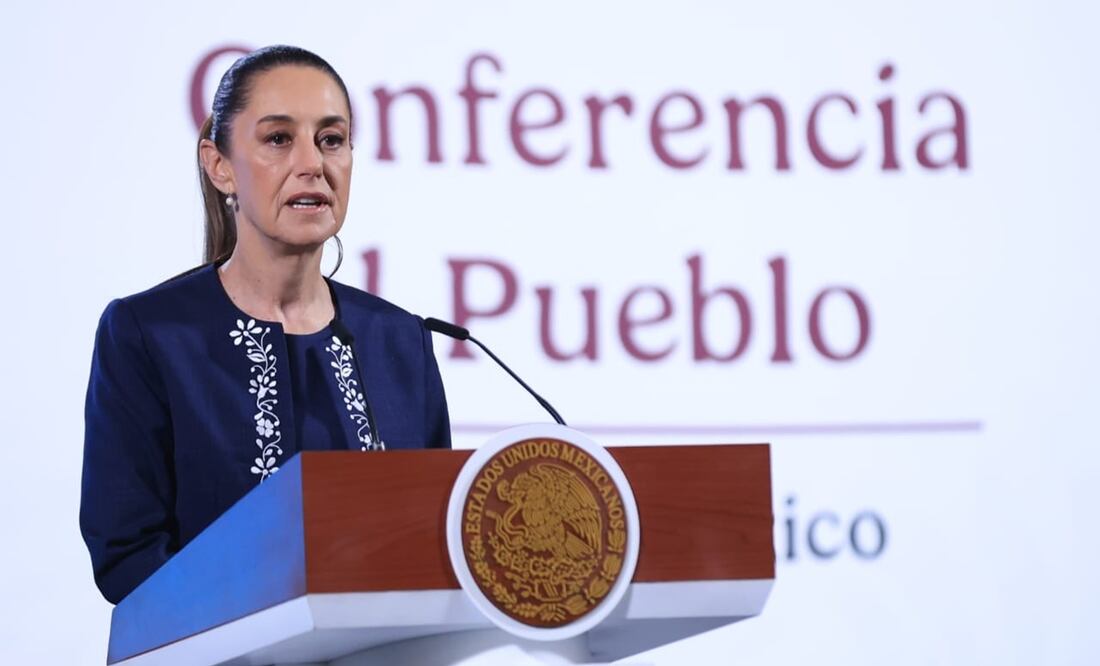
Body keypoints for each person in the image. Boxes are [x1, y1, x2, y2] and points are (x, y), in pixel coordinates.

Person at [79, 45, 452, 605]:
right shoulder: (148, 334)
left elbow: (435, 543)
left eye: (332, 140)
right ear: (219, 165)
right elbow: (128, 555)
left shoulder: (400, 341)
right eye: (279, 139)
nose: (313, 164)